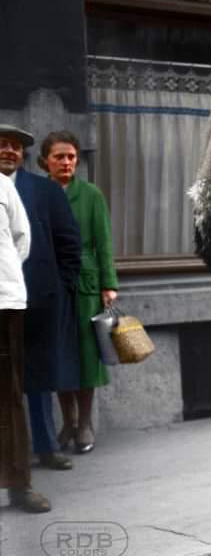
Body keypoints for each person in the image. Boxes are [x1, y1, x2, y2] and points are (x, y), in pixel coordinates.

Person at [0, 126, 81, 480]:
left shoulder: (44, 190)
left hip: (38, 302)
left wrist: (58, 289)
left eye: (15, 147)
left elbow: (69, 244)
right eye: (1, 146)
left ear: (23, 154)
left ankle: (45, 447)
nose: (8, 152)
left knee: (36, 378)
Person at [39, 131, 119, 454]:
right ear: (46, 160)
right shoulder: (37, 193)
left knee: (86, 353)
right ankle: (68, 420)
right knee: (59, 352)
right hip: (50, 282)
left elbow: (104, 242)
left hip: (86, 284)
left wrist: (108, 284)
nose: (67, 162)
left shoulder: (90, 195)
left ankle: (85, 422)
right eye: (59, 156)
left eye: (71, 156)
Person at [0, 167, 48, 511]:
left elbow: (22, 237)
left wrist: (5, 272)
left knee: (8, 395)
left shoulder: (2, 185)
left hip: (3, 303)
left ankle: (18, 484)